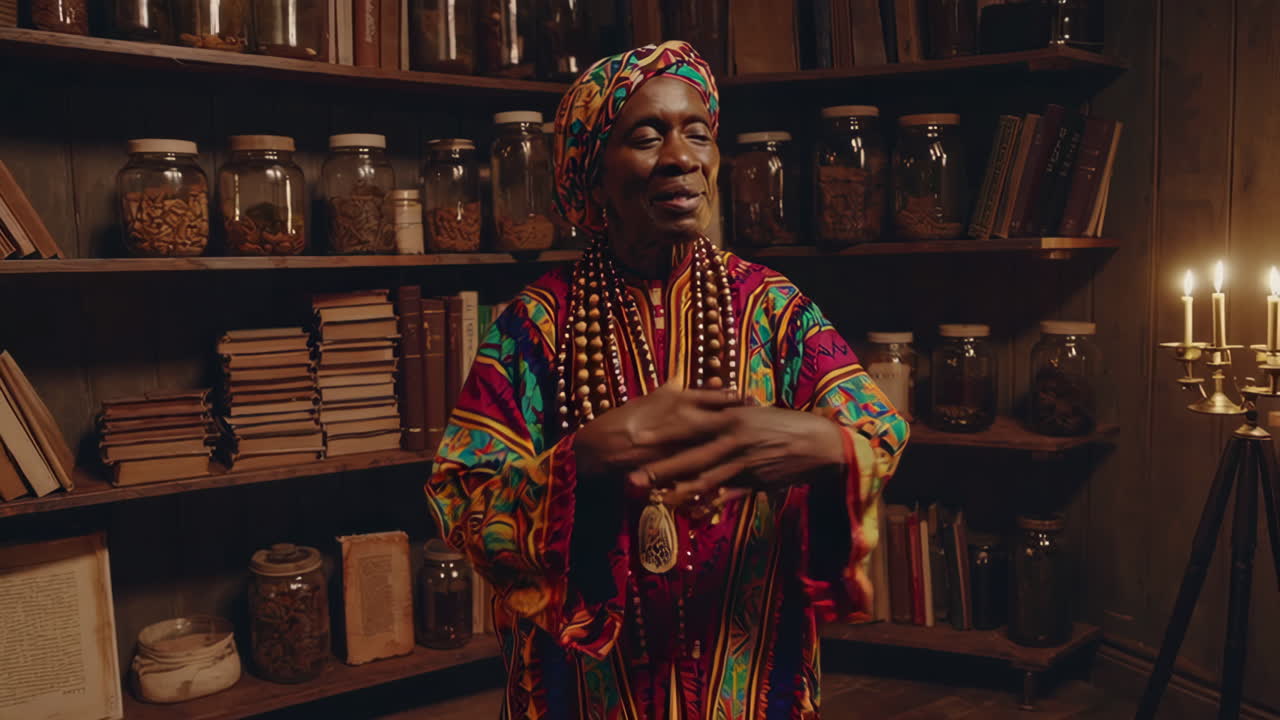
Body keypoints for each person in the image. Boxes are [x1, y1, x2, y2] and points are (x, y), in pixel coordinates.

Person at [425, 41, 909, 720]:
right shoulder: (536, 324)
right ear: (593, 175)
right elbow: (462, 499)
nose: (681, 156)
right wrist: (579, 463)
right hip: (587, 690)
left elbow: (879, 431)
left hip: (748, 677)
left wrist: (825, 447)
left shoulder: (771, 307)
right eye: (648, 135)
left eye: (698, 133)